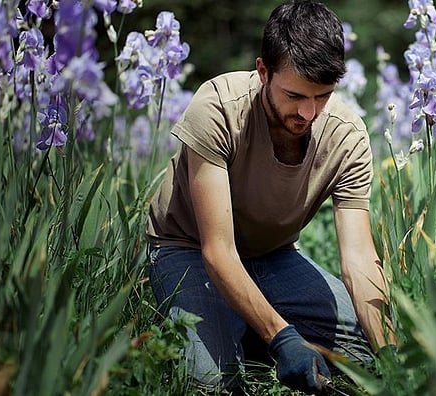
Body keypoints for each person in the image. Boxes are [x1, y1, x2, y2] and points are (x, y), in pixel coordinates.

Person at [145, 1, 397, 393]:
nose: (309, 113)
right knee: (211, 385)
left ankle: (243, 328)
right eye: (295, 95)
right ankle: (244, 332)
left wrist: (391, 355)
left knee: (359, 358)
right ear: (263, 71)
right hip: (189, 247)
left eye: (323, 96)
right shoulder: (218, 108)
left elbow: (360, 259)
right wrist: (282, 338)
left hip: (271, 256)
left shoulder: (346, 135)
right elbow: (218, 250)